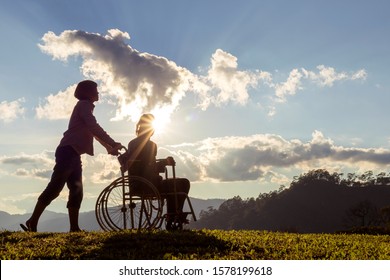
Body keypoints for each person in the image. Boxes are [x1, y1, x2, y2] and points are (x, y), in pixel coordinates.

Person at [20, 80, 122, 232]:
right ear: (88, 92)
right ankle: (33, 221)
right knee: (55, 188)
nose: (98, 93)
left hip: (73, 153)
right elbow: (93, 127)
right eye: (96, 90)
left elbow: (92, 131)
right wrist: (112, 143)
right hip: (68, 152)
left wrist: (109, 147)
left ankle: (73, 227)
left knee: (76, 190)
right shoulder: (84, 105)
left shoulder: (85, 107)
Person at [122, 113, 190, 230]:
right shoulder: (151, 145)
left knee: (175, 185)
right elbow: (150, 167)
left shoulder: (132, 143)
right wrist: (165, 162)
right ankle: (172, 216)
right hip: (149, 184)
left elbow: (143, 165)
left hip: (136, 184)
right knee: (183, 183)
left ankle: (172, 216)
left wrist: (162, 164)